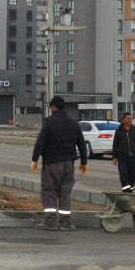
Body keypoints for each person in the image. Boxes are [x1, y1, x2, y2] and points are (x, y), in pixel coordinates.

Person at [31, 95, 88, 231]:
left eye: (51, 107)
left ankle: (50, 223)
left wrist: (35, 159)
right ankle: (65, 224)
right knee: (65, 192)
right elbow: (81, 143)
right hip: (69, 164)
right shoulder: (74, 123)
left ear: (54, 107)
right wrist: (84, 162)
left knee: (49, 191)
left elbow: (40, 142)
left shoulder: (49, 122)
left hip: (51, 163)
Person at [112, 112, 135, 192]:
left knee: (133, 175)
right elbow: (115, 144)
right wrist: (114, 157)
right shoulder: (119, 131)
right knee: (123, 174)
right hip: (122, 157)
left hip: (134, 157)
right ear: (124, 120)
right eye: (128, 119)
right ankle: (126, 192)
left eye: (131, 119)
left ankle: (130, 189)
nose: (130, 120)